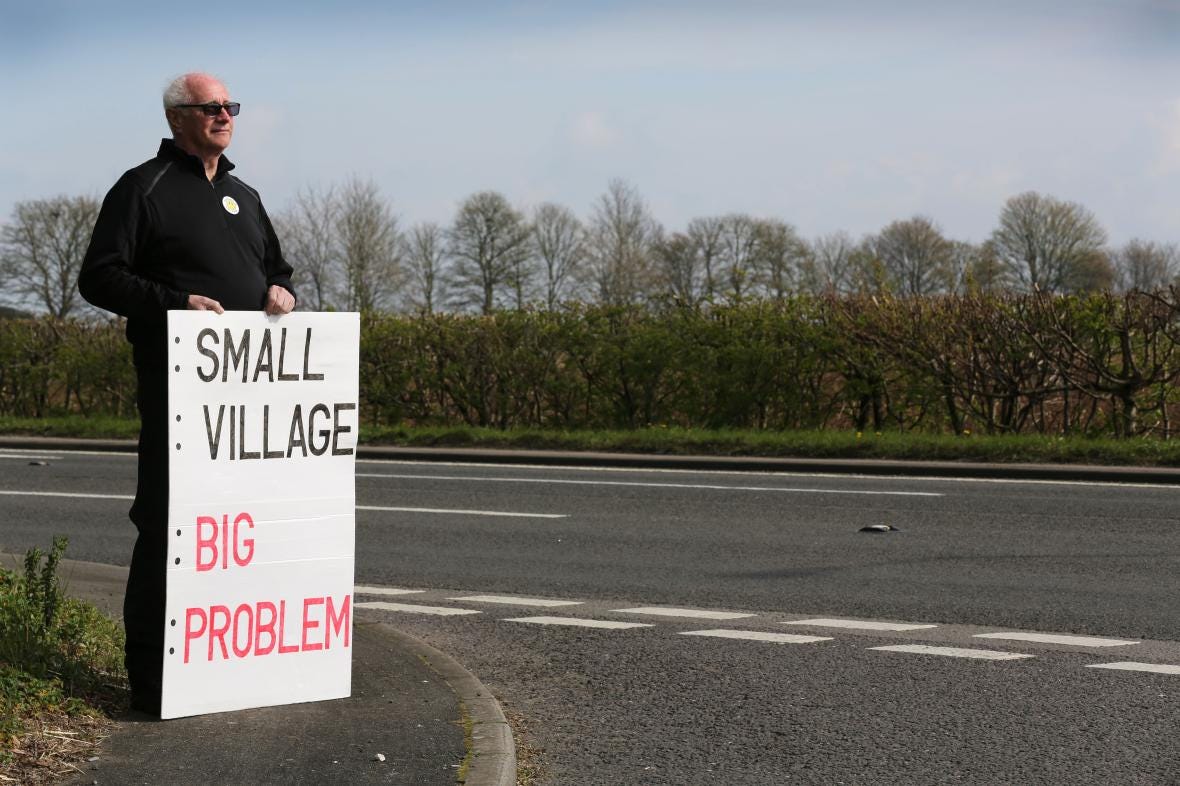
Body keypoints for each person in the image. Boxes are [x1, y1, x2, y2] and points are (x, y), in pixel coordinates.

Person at [79, 72, 295, 714]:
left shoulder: (244, 194)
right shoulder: (142, 188)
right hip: (180, 394)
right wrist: (175, 305)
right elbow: (100, 277)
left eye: (230, 106)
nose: (225, 115)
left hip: (249, 405)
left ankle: (231, 667)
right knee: (171, 526)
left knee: (239, 530)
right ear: (178, 117)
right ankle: (154, 682)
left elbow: (276, 267)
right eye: (211, 107)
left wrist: (281, 292)